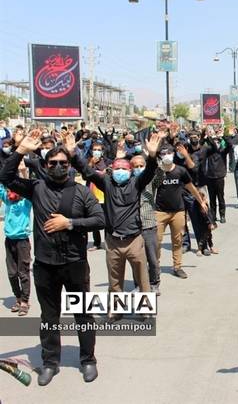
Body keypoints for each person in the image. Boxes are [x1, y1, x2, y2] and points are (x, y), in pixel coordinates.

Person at [0, 129, 105, 386]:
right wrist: (20, 151)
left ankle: (88, 359)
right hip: (46, 265)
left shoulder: (80, 191)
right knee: (49, 317)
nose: (58, 167)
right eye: (53, 163)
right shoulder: (37, 188)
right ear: (45, 166)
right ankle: (50, 362)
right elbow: (5, 177)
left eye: (63, 163)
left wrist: (69, 223)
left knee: (83, 314)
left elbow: (100, 219)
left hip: (75, 264)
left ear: (70, 166)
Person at [65, 132, 160, 320]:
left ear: (130, 171)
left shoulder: (137, 183)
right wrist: (73, 154)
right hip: (113, 241)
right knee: (115, 280)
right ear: (111, 170)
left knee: (142, 278)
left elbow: (149, 172)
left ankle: (145, 309)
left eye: (124, 168)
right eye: (117, 168)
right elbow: (88, 172)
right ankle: (116, 309)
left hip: (134, 240)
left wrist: (152, 155)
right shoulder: (107, 183)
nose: (120, 171)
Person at [154, 144, 209, 279]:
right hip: (160, 212)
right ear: (160, 156)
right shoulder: (157, 172)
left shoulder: (181, 171)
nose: (166, 156)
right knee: (156, 241)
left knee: (177, 240)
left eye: (169, 153)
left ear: (173, 154)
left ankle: (177, 267)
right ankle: (155, 268)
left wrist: (201, 201)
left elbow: (191, 187)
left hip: (178, 211)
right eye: (163, 154)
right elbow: (150, 189)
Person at [0, 161, 32, 317]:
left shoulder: (26, 202)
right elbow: (1, 184)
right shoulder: (7, 200)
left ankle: (25, 301)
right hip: (9, 240)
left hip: (22, 241)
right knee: (12, 273)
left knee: (23, 272)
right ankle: (18, 298)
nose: (11, 193)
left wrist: (24, 172)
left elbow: (28, 187)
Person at [130, 154, 161, 294]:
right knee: (136, 259)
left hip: (149, 225)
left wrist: (154, 158)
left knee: (152, 258)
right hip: (133, 227)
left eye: (141, 166)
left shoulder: (151, 181)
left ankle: (154, 283)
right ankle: (138, 285)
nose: (138, 168)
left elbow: (160, 176)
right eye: (135, 166)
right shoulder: (129, 183)